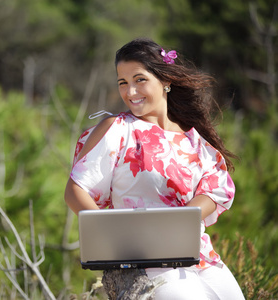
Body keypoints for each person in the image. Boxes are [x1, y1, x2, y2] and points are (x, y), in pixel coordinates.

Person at [64, 38, 245, 299]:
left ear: (166, 81)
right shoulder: (118, 129)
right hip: (143, 259)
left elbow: (216, 188)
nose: (130, 92)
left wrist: (185, 217)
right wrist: (113, 238)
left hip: (199, 254)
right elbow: (75, 190)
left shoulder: (193, 138)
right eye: (122, 83)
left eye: (139, 79)